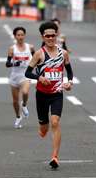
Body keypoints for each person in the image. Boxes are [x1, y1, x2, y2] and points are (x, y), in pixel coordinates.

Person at [25, 21, 74, 169]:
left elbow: (70, 72)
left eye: (53, 35)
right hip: (41, 95)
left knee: (55, 122)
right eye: (48, 36)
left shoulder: (63, 53)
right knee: (44, 128)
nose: (51, 38)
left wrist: (69, 83)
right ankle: (42, 128)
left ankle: (54, 157)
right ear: (43, 36)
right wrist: (39, 78)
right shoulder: (39, 54)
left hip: (57, 94)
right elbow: (27, 72)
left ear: (56, 36)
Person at [5, 27, 35, 129]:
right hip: (14, 77)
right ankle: (18, 117)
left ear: (24, 35)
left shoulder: (30, 47)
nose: (20, 37)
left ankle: (24, 104)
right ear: (15, 36)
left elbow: (36, 58)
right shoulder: (12, 49)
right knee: (15, 101)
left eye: (22, 35)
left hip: (25, 75)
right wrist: (15, 63)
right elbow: (7, 64)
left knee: (25, 92)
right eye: (18, 35)